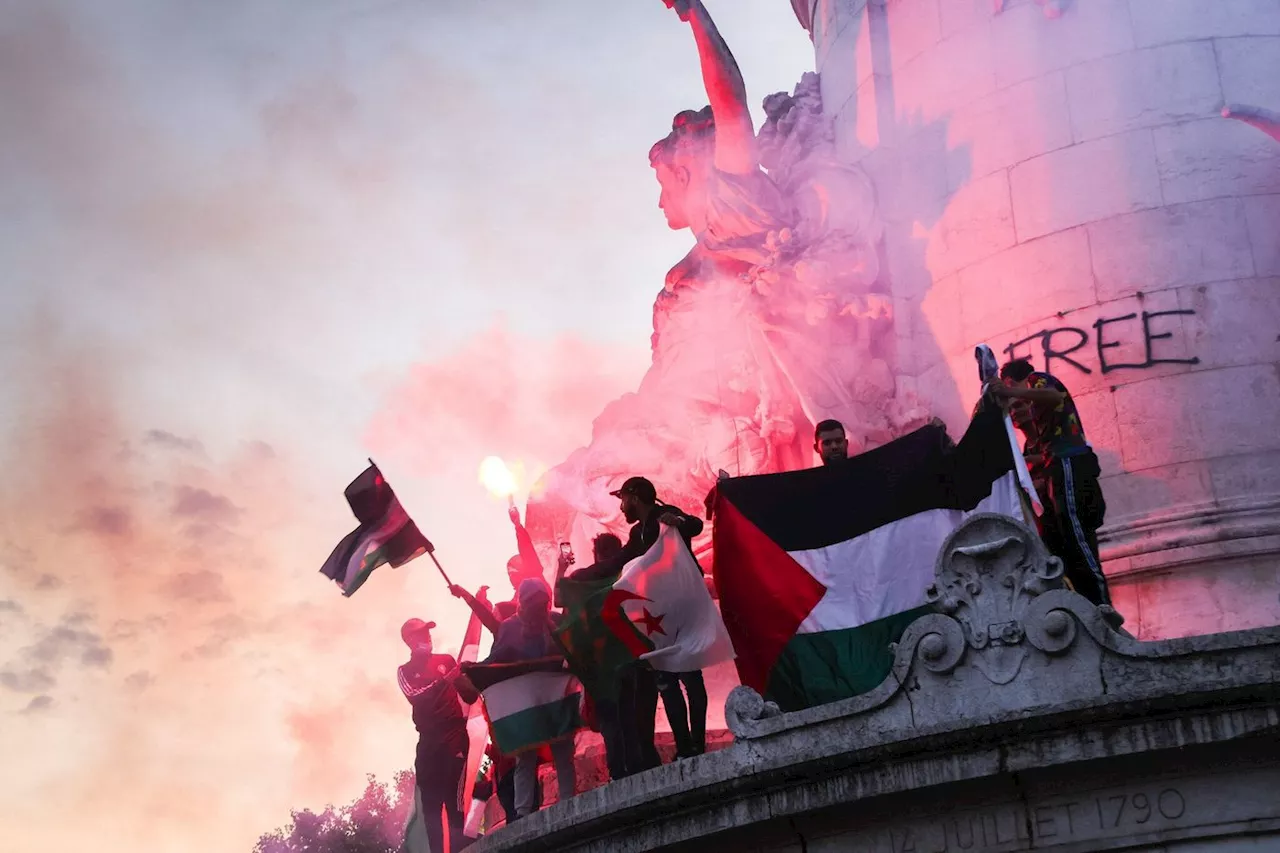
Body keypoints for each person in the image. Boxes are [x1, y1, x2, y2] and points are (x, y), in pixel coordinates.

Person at [988, 358, 1113, 608]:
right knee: (1065, 534)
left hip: (1067, 458)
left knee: (1073, 527)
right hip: (1059, 462)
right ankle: (1089, 599)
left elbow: (1053, 396)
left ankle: (1099, 599)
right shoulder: (1036, 439)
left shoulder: (1038, 380)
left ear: (1012, 381)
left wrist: (1009, 391)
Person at [607, 476, 708, 760]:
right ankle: (685, 748)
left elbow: (696, 525)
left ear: (634, 498)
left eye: (623, 500)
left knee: (690, 675)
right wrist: (582, 576)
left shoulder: (666, 516)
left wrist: (679, 522)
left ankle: (698, 744)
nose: (621, 507)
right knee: (666, 680)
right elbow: (619, 561)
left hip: (683, 607)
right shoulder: (636, 533)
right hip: (658, 614)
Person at [553, 533, 661, 780]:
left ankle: (618, 773)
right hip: (631, 657)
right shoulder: (629, 574)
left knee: (611, 718)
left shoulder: (582, 578)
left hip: (600, 663)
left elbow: (558, 598)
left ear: (596, 554)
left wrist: (560, 568)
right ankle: (636, 769)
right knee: (630, 716)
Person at [483, 578, 578, 819]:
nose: (538, 607)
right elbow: (496, 660)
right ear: (522, 604)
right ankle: (523, 812)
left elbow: (573, 650)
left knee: (563, 751)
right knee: (525, 757)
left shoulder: (555, 621)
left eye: (542, 602)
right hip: (525, 703)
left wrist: (552, 628)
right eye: (533, 603)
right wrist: (475, 670)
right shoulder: (509, 627)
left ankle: (569, 802)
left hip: (554, 698)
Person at [397, 619, 471, 853]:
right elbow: (416, 697)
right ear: (409, 640)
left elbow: (469, 696)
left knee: (454, 801)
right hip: (429, 743)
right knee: (431, 806)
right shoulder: (405, 671)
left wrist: (469, 674)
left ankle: (461, 850)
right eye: (420, 635)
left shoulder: (446, 661)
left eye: (428, 633)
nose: (427, 638)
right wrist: (444, 681)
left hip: (455, 737)